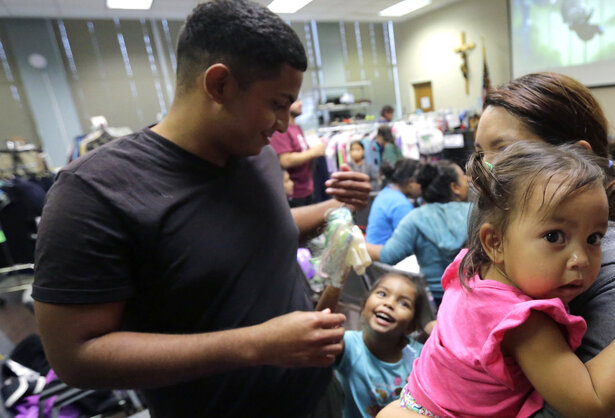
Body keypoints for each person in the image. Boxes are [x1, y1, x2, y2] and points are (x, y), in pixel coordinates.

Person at [31, 1, 371, 417]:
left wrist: (337, 205)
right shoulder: (94, 191)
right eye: (278, 104)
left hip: (314, 394)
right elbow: (75, 356)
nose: (284, 124)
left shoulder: (255, 153)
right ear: (220, 85)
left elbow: (263, 232)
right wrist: (254, 345)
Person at [379, 141, 615, 418]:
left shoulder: (471, 269)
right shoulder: (522, 323)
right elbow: (593, 402)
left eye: (594, 237)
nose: (580, 258)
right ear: (495, 243)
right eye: (554, 236)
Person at [472, 72, 615, 417]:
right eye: (480, 154)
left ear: (577, 158)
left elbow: (587, 403)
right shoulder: (502, 251)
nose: (481, 174)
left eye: (504, 153)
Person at [367, 160, 471, 306]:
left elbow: (387, 256)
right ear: (455, 188)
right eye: (463, 177)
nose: (468, 180)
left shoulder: (414, 219)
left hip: (432, 303)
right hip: (468, 297)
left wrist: (355, 242)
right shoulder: (475, 214)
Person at [335, 273, 426, 418]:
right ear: (363, 306)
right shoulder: (348, 345)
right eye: (382, 294)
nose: (389, 304)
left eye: (404, 303)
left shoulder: (420, 357)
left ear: (412, 326)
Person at [271, 99, 327, 207]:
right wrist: (313, 152)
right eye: (295, 101)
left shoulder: (296, 127)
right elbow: (285, 160)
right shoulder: (281, 130)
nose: (301, 104)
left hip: (306, 189)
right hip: (294, 193)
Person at [366, 159, 422, 245]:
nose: (422, 188)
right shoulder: (401, 204)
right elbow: (410, 242)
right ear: (411, 182)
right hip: (383, 254)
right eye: (421, 183)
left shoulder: (387, 192)